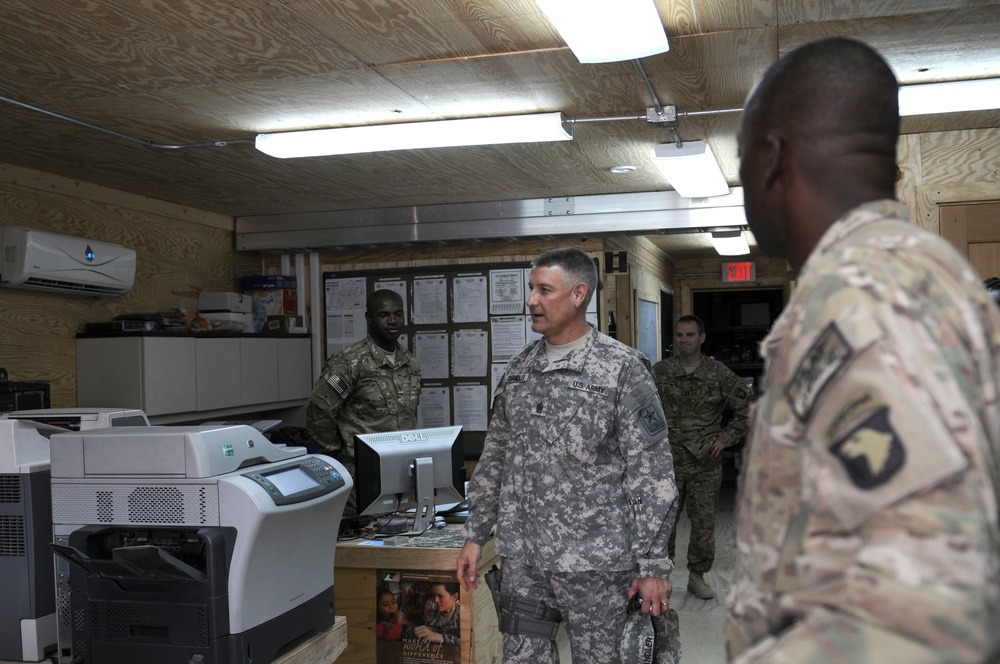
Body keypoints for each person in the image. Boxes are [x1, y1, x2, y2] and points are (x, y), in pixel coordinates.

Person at [727, 36, 1000, 663]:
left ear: (770, 160)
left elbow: (925, 619)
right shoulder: (919, 274)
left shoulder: (859, 298)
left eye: (741, 164)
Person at [456, 247, 678, 663]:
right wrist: (475, 534)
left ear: (578, 294)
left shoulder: (622, 369)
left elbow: (651, 474)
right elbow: (495, 458)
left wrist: (653, 565)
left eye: (544, 289)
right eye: (531, 289)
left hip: (598, 566)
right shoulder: (519, 370)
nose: (531, 301)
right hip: (523, 560)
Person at [652, 314, 751, 600]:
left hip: (704, 462)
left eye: (690, 335)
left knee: (703, 525)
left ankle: (697, 577)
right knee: (662, 526)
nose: (684, 340)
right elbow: (639, 407)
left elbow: (747, 407)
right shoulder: (660, 372)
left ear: (702, 338)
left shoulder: (718, 373)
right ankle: (661, 579)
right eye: (680, 335)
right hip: (667, 462)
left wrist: (726, 438)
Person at [307, 288, 421, 514]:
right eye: (384, 315)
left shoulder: (410, 363)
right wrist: (338, 457)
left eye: (398, 314)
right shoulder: (349, 362)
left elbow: (409, 415)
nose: (392, 320)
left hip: (402, 477)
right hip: (359, 480)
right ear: (369, 318)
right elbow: (319, 413)